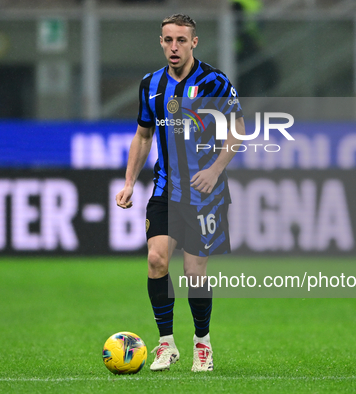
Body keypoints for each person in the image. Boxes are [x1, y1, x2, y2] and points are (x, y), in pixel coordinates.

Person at [115, 13, 245, 372]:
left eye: (181, 41)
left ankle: (202, 344)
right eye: (168, 40)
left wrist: (216, 169)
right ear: (161, 42)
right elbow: (143, 136)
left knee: (193, 273)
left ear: (194, 42)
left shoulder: (214, 81)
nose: (174, 47)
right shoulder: (151, 85)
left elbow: (238, 129)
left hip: (206, 193)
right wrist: (129, 182)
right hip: (165, 189)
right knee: (156, 260)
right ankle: (165, 345)